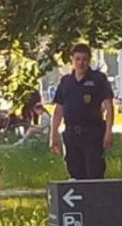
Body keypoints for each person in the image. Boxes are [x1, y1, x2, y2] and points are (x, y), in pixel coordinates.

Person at [49, 44, 114, 179]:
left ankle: (96, 199)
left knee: (94, 171)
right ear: (72, 60)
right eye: (77, 59)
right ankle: (81, 199)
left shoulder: (98, 79)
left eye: (84, 59)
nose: (81, 63)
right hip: (72, 134)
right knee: (75, 172)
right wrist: (53, 135)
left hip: (93, 133)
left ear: (89, 60)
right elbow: (58, 110)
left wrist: (108, 132)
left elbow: (109, 107)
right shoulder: (66, 81)